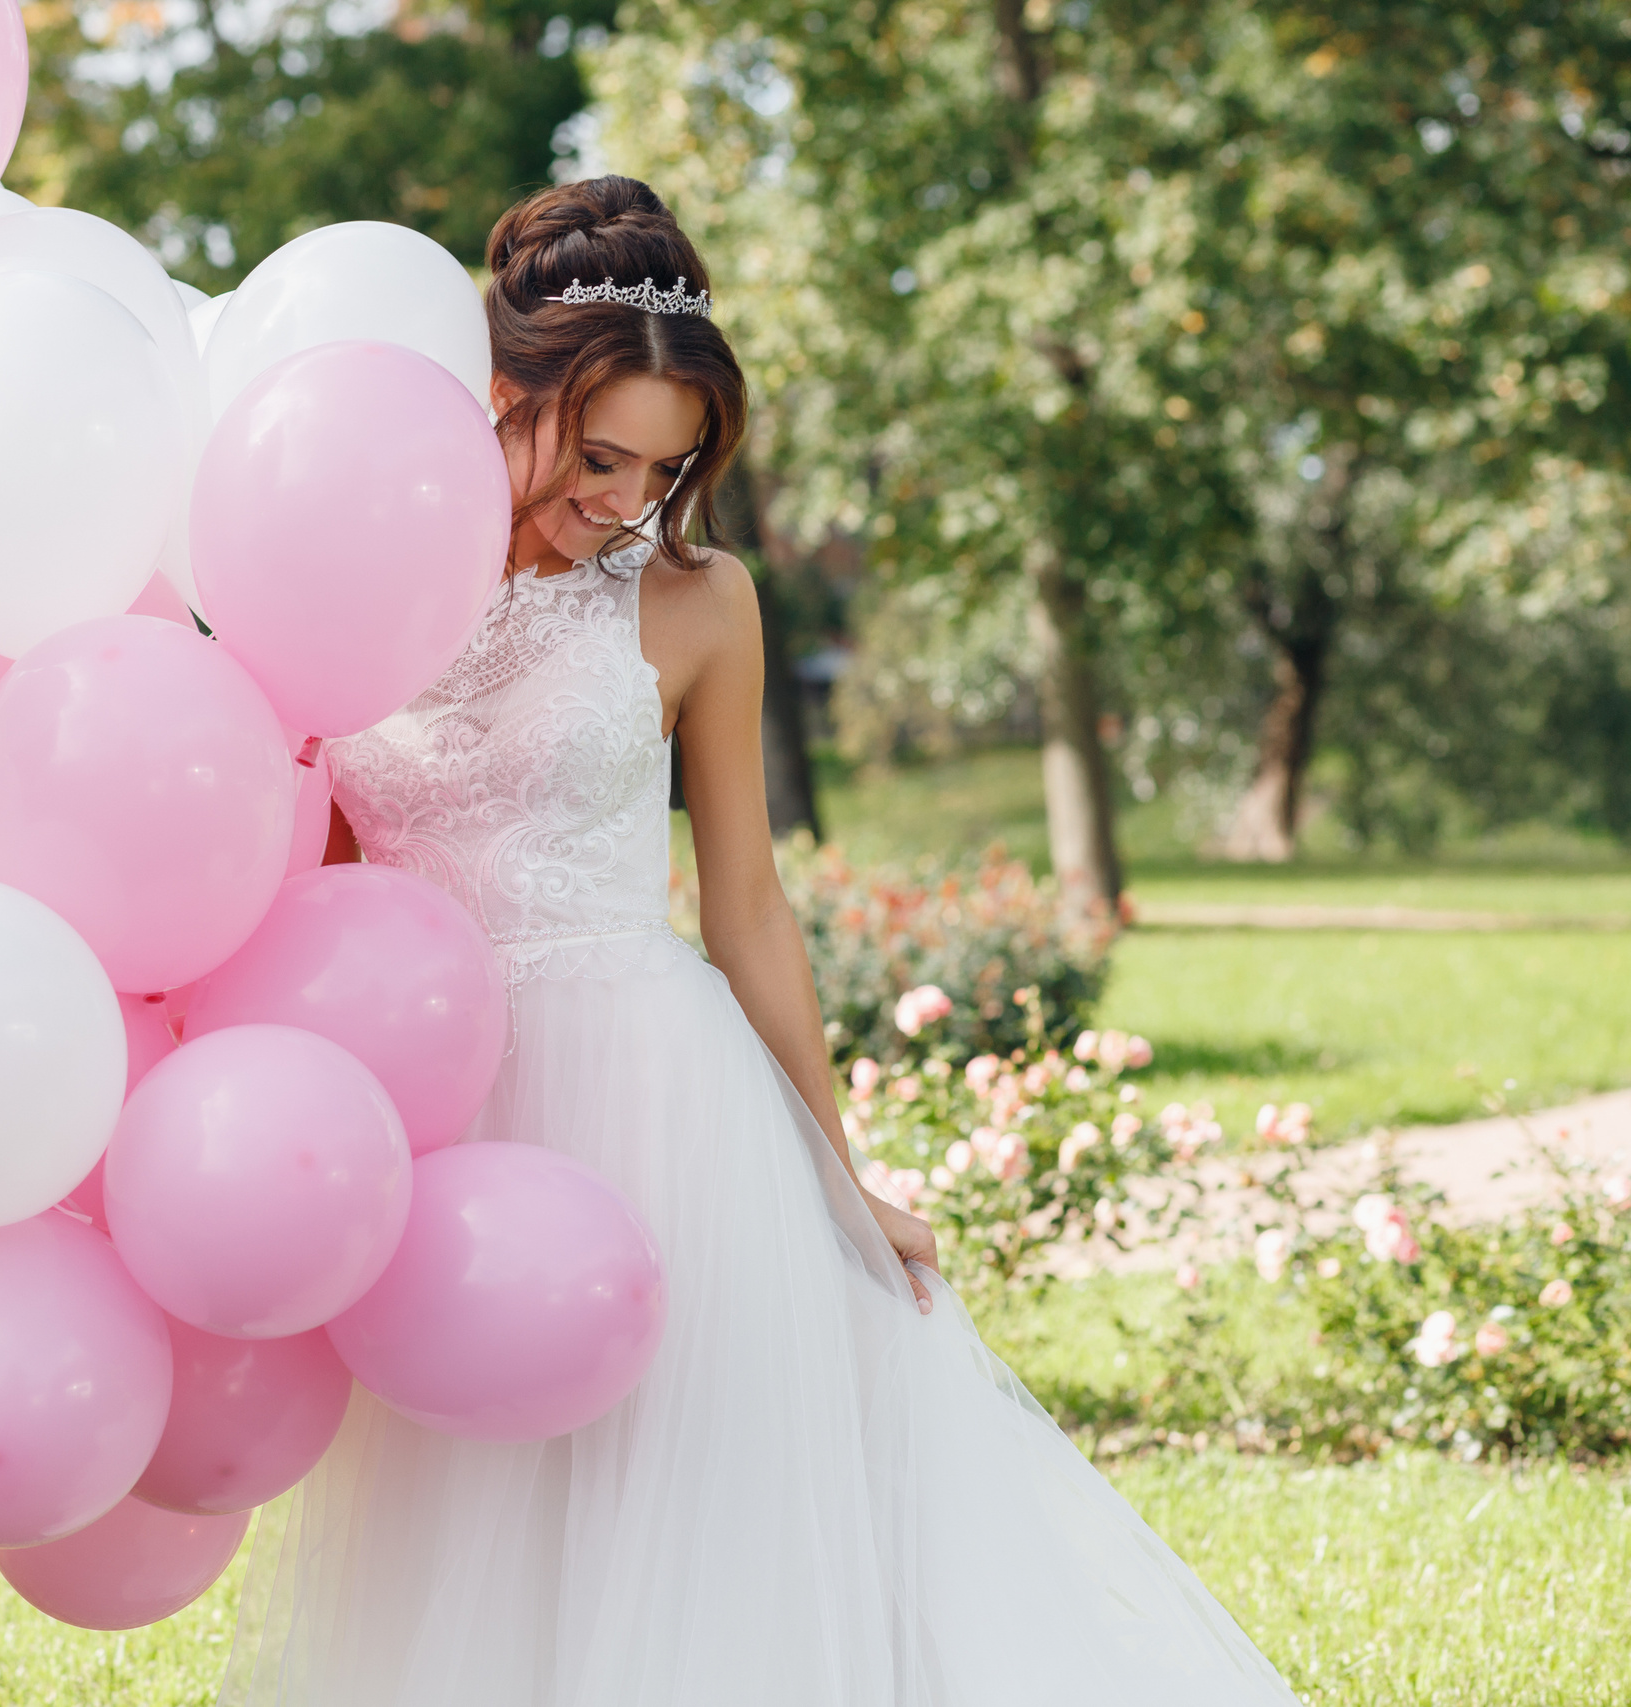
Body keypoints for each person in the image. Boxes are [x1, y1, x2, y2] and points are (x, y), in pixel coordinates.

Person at [216, 177, 1300, 1707]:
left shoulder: (700, 603)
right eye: (596, 455)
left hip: (649, 1103)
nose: (625, 499)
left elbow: (746, 907)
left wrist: (839, 1169)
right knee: (461, 1507)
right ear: (499, 395)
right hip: (427, 1115)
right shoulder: (355, 572)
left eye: (665, 468)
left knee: (677, 1497)